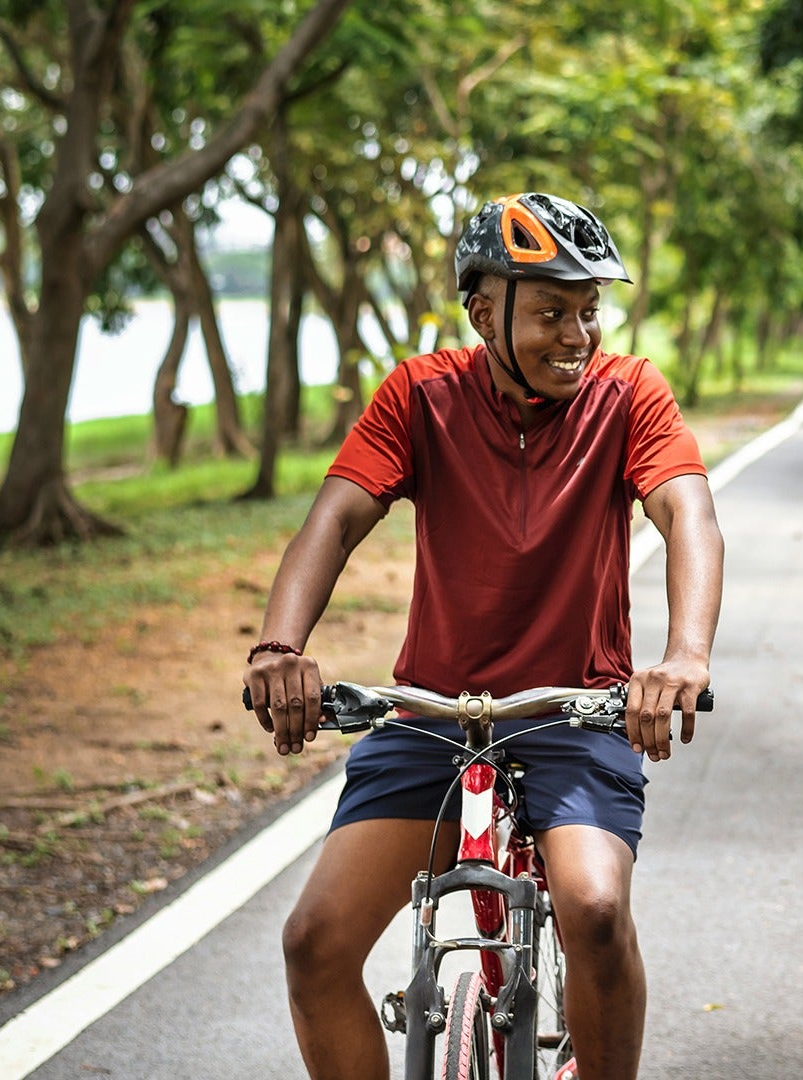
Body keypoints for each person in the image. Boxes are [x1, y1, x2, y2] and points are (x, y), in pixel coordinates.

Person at [242, 192, 724, 1080]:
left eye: (588, 311)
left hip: (573, 716)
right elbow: (336, 521)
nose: (576, 334)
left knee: (593, 908)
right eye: (549, 312)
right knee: (313, 943)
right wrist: (279, 649)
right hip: (431, 720)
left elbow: (686, 514)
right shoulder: (419, 396)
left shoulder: (630, 396)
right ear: (481, 313)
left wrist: (684, 656)